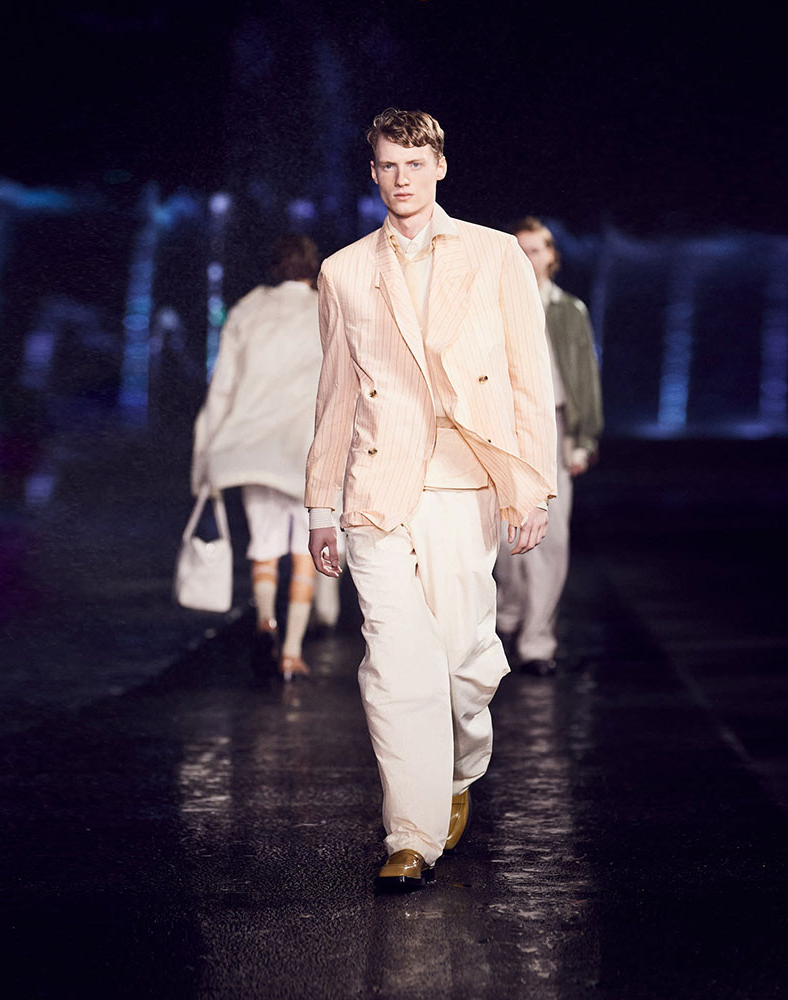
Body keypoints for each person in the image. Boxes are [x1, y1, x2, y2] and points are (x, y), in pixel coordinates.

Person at [305, 109, 557, 891]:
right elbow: (335, 397)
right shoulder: (344, 270)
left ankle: (456, 768)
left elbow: (528, 379)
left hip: (464, 479)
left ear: (440, 166)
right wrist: (320, 506)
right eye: (388, 165)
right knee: (394, 663)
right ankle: (410, 834)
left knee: (460, 663)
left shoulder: (496, 254)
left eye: (415, 164)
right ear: (373, 173)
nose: (402, 178)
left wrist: (531, 487)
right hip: (377, 488)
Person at [191, 234, 337, 680]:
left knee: (265, 546)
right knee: (305, 549)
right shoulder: (327, 308)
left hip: (251, 449)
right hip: (306, 449)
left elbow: (222, 388)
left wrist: (204, 453)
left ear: (273, 267)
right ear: (313, 267)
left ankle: (265, 622)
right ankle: (291, 651)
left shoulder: (246, 311)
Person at [495, 217, 603, 676]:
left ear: (552, 256)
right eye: (520, 249)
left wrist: (584, 439)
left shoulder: (568, 310)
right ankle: (508, 613)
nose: (528, 258)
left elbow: (585, 377)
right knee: (503, 535)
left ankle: (537, 641)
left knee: (551, 537)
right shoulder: (493, 303)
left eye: (536, 249)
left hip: (554, 426)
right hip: (502, 427)